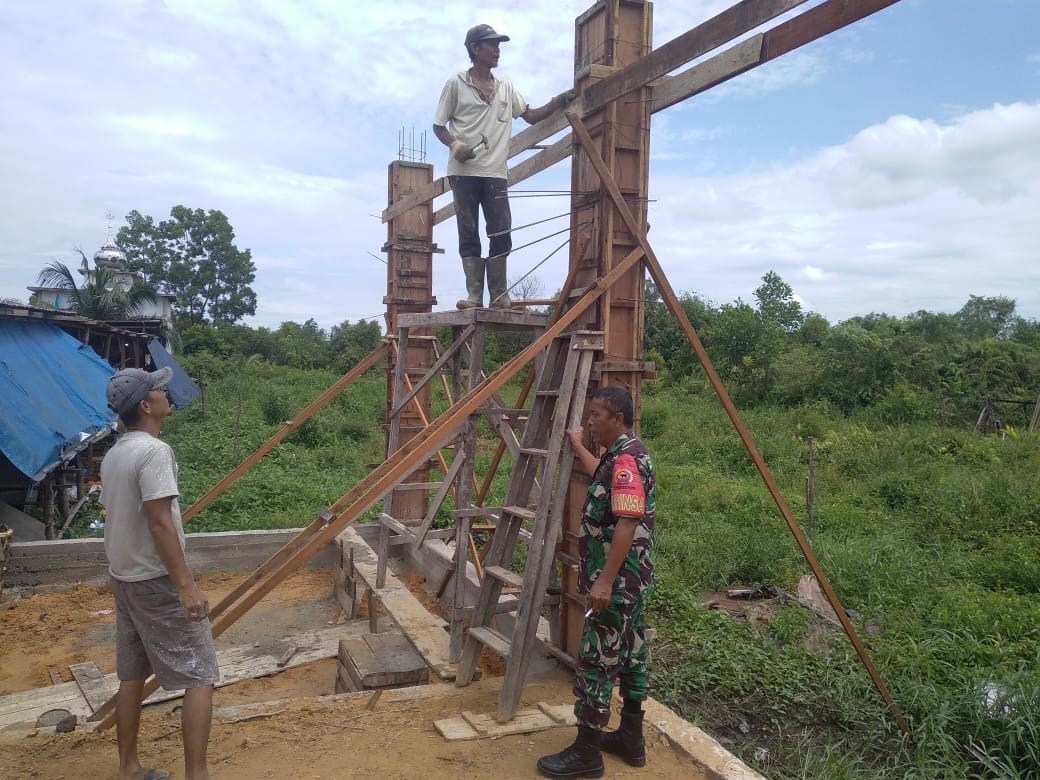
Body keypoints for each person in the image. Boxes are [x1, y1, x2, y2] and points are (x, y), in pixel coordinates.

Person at [101, 367, 219, 780]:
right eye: (158, 389)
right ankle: (197, 775)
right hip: (155, 580)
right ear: (146, 406)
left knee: (132, 673)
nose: (166, 391)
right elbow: (159, 522)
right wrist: (186, 586)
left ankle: (129, 768)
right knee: (200, 673)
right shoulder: (153, 452)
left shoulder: (115, 454)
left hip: (124, 576)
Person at [538, 386, 656, 779]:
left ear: (617, 418)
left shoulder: (626, 461)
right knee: (633, 653)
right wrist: (577, 445)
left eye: (596, 415)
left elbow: (627, 521)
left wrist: (604, 582)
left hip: (617, 584)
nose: (590, 422)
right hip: (635, 582)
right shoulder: (626, 456)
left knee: (596, 661)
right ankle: (630, 739)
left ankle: (587, 753)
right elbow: (603, 482)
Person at [433, 23, 573, 310]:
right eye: (491, 45)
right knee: (468, 231)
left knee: (501, 231)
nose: (497, 50)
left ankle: (498, 295)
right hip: (464, 173)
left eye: (499, 45)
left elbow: (531, 115)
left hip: (495, 173)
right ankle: (474, 296)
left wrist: (558, 101)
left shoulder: (506, 88)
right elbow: (438, 126)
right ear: (475, 49)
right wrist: (454, 145)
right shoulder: (456, 84)